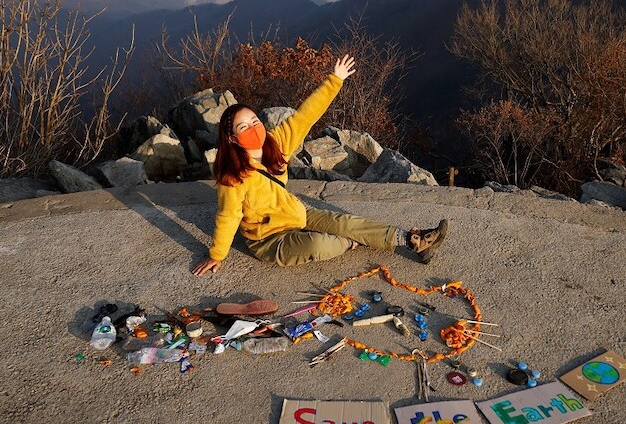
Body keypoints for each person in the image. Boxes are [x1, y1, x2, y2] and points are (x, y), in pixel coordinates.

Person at [192, 54, 448, 276]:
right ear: (231, 138)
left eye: (254, 120)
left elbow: (305, 116)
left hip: (294, 212)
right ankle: (349, 244)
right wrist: (217, 254)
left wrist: (334, 80)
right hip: (269, 239)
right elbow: (228, 216)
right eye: (243, 127)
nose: (253, 128)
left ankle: (413, 241)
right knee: (318, 244)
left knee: (347, 222)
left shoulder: (275, 143)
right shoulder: (233, 176)